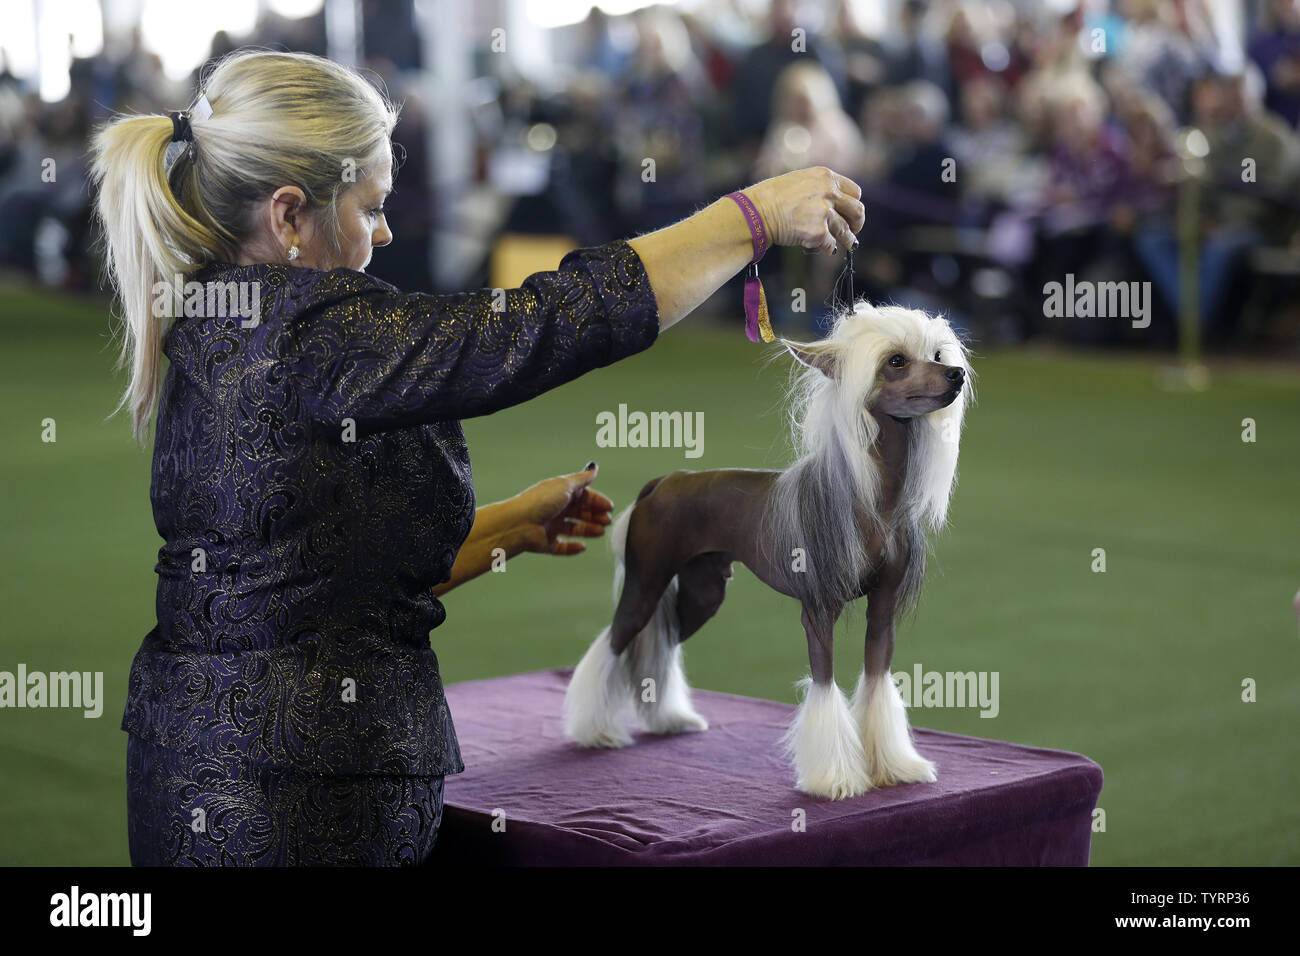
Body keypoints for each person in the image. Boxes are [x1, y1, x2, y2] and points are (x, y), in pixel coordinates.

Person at [89, 49, 865, 866]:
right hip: (306, 804)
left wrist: (512, 526)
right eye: (371, 207)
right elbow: (547, 323)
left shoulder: (209, 323)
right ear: (288, 217)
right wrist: (753, 216)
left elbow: (311, 580)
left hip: (185, 775)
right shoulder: (319, 337)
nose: (385, 232)